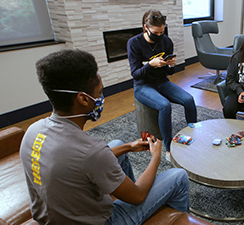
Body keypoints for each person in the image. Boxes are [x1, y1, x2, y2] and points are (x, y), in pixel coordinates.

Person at [20, 49, 190, 225]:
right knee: (178, 176)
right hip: (105, 222)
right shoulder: (91, 150)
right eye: (99, 92)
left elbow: (81, 160)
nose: (101, 97)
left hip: (53, 219)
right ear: (83, 99)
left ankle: (126, 192)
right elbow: (138, 195)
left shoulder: (32, 130)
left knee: (118, 144)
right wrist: (156, 156)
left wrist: (129, 147)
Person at [127, 10, 197, 161]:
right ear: (146, 27)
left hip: (162, 82)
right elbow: (136, 74)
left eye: (162, 32)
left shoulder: (166, 41)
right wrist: (151, 65)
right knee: (165, 105)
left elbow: (170, 73)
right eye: (156, 33)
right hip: (143, 86)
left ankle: (194, 134)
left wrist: (171, 65)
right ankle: (168, 148)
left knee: (189, 100)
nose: (160, 36)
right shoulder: (134, 43)